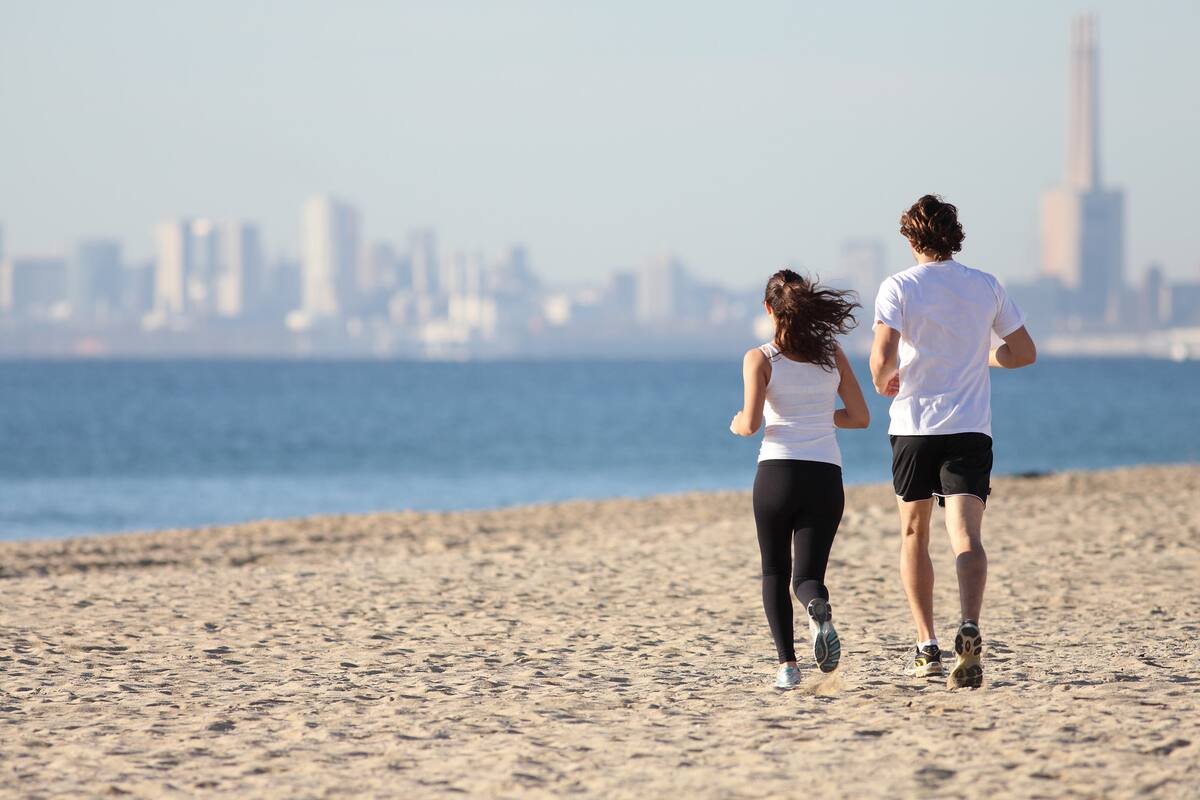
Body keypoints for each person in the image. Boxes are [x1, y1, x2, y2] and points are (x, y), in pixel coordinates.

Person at [869, 194, 1037, 689]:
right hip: (968, 427)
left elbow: (882, 357)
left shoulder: (898, 286)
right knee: (966, 537)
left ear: (911, 238)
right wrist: (982, 357)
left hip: (914, 426)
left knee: (914, 534)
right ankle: (969, 623)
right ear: (954, 236)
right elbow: (1023, 352)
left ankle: (927, 648)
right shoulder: (985, 285)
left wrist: (883, 380)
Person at [731, 269, 870, 689]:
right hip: (825, 476)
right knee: (807, 578)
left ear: (768, 309)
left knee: (774, 571)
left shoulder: (760, 358)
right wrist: (821, 416)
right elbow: (860, 417)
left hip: (777, 474)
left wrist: (736, 423)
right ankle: (816, 606)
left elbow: (750, 424)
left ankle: (788, 667)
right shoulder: (831, 354)